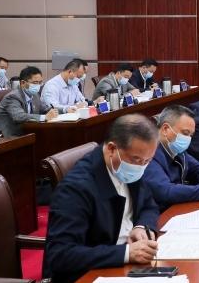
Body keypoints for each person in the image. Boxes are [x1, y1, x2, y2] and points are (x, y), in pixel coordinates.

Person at [43, 115, 161, 283]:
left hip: (128, 265)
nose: (141, 167)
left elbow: (149, 205)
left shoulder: (129, 166)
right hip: (90, 274)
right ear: (112, 149)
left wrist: (141, 226)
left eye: (147, 161)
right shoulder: (76, 188)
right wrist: (126, 253)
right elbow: (61, 254)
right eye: (137, 160)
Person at [143, 105, 199, 211]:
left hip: (178, 207)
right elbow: (165, 191)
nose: (188, 139)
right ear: (165, 129)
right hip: (161, 213)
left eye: (191, 135)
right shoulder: (148, 154)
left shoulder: (177, 150)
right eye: (185, 133)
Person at [0, 66, 59, 137]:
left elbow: (46, 109)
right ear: (23, 83)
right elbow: (19, 116)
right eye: (35, 82)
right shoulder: (13, 97)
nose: (38, 86)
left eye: (40, 82)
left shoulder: (35, 95)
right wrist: (44, 117)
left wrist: (61, 110)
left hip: (26, 132)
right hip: (6, 136)